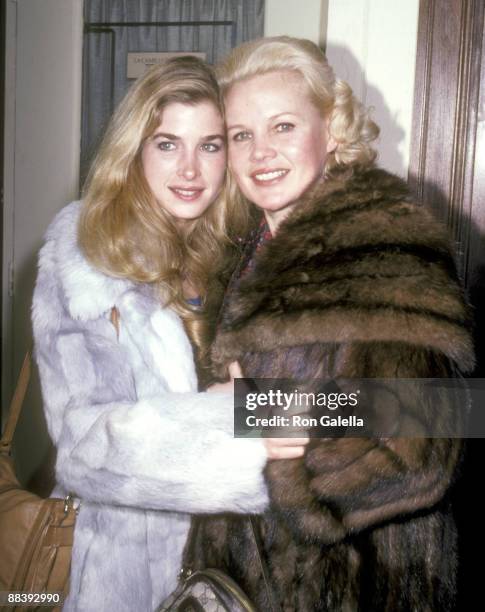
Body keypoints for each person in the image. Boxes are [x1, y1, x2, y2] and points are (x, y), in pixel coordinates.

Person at [188, 37, 475, 611]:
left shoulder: (386, 241)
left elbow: (430, 429)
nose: (260, 152)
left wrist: (260, 415)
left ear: (333, 130)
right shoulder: (232, 251)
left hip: (349, 581)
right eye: (242, 135)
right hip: (239, 579)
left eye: (284, 127)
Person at [31, 56, 306, 612]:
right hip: (122, 567)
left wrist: (293, 410)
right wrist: (233, 427)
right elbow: (81, 444)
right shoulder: (88, 254)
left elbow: (310, 406)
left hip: (227, 569)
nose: (189, 169)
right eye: (166, 144)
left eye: (209, 145)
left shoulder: (238, 251)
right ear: (134, 150)